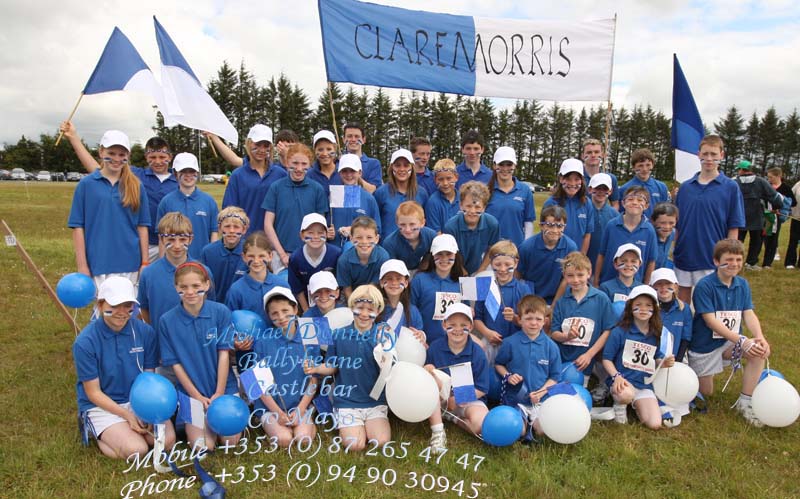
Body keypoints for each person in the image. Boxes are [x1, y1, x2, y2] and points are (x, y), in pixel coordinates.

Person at [73, 277, 176, 459]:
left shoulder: (145, 332)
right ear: (100, 305)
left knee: (166, 442)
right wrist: (126, 416)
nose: (122, 312)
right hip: (102, 405)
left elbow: (148, 377)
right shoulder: (85, 342)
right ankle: (95, 429)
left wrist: (146, 410)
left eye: (127, 305)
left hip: (138, 399)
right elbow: (93, 393)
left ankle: (124, 433)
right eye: (114, 306)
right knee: (136, 450)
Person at [60, 121, 177, 261]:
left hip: (171, 242)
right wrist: (74, 139)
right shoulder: (135, 176)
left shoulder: (179, 180)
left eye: (162, 157)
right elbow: (98, 169)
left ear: (170, 157)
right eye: (152, 157)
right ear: (146, 157)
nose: (157, 161)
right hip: (143, 243)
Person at [687, 239, 771, 426]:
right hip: (705, 346)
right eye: (729, 259)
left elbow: (748, 313)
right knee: (706, 392)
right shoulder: (704, 286)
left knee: (758, 352)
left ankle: (745, 401)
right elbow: (710, 322)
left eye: (738, 260)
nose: (734, 264)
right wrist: (742, 339)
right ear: (717, 261)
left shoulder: (742, 284)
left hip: (729, 343)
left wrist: (759, 337)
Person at [158, 262, 240, 450]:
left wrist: (219, 393)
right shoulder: (167, 321)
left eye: (196, 286)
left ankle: (220, 415)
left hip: (223, 388)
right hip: (191, 393)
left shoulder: (220, 312)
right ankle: (196, 421)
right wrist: (196, 396)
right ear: (176, 287)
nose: (190, 292)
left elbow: (224, 354)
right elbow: (175, 364)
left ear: (206, 285)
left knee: (231, 441)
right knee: (202, 445)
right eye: (184, 287)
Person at [304, 285, 393, 451]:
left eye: (370, 309)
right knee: (354, 445)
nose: (364, 314)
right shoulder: (338, 334)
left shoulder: (383, 337)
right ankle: (347, 422)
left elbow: (390, 371)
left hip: (374, 401)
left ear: (378, 311)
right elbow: (332, 366)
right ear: (352, 307)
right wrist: (315, 368)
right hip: (347, 402)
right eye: (360, 308)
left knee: (380, 442)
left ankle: (374, 423)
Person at [67, 130, 150, 288]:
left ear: (128, 156)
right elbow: (78, 227)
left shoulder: (136, 186)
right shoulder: (86, 185)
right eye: (111, 153)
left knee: (128, 311)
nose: (116, 159)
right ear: (101, 152)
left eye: (121, 154)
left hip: (130, 263)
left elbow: (142, 226)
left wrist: (144, 262)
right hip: (99, 263)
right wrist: (82, 266)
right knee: (104, 310)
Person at [673, 134, 745, 303]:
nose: (709, 159)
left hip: (711, 256)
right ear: (698, 154)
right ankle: (685, 329)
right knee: (682, 299)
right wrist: (675, 249)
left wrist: (728, 256)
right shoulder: (685, 187)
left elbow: (734, 226)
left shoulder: (730, 187)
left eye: (713, 154)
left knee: (707, 301)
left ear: (722, 155)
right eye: (705, 154)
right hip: (685, 253)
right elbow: (678, 224)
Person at [602, 285, 675, 428]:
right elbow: (607, 359)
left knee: (654, 424)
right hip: (622, 381)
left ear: (655, 309)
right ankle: (620, 405)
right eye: (638, 305)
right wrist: (616, 376)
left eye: (648, 305)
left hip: (643, 384)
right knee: (625, 395)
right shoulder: (619, 331)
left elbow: (656, 358)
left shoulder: (656, 333)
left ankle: (637, 405)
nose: (643, 309)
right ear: (630, 307)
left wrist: (664, 362)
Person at [252, 287, 317, 447]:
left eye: (285, 311)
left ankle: (309, 420)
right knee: (284, 439)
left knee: (303, 439)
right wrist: (277, 413)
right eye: (274, 313)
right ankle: (270, 424)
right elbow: (258, 385)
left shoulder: (309, 335)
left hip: (300, 403)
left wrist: (301, 408)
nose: (281, 317)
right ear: (269, 316)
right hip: (271, 407)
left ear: (295, 308)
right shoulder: (262, 341)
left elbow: (314, 379)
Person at [425, 303, 491, 451]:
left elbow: (482, 388)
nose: (457, 329)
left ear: (471, 327)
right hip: (440, 399)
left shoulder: (478, 353)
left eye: (463, 325)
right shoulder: (435, 348)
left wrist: (458, 398)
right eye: (452, 324)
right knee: (431, 379)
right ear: (444, 325)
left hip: (469, 400)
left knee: (481, 426)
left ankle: (454, 418)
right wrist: (427, 370)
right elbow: (426, 379)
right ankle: (438, 431)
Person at [495, 295, 561, 439]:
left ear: (545, 321)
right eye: (529, 318)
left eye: (538, 319)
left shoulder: (551, 347)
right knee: (518, 431)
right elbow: (499, 364)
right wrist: (508, 375)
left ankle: (534, 422)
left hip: (541, 400)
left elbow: (555, 377)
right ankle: (524, 423)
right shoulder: (510, 343)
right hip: (516, 400)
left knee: (543, 430)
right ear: (519, 320)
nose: (533, 323)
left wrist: (541, 393)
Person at [138, 212, 216, 334]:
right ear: (161, 239)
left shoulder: (203, 271)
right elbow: (144, 309)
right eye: (171, 239)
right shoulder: (149, 274)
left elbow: (210, 306)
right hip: (162, 342)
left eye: (183, 239)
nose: (177, 245)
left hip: (196, 339)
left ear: (191, 239)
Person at [551, 252, 616, 387]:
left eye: (580, 275)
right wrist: (566, 336)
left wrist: (589, 355)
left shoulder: (601, 298)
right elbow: (554, 333)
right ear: (564, 276)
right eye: (570, 275)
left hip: (585, 363)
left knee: (579, 396)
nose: (575, 280)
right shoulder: (561, 302)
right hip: (563, 362)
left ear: (589, 273)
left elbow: (608, 330)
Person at [262, 143, 328, 273]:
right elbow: (268, 224)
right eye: (295, 163)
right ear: (287, 163)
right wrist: (282, 254)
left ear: (310, 165)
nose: (299, 168)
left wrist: (310, 252)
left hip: (309, 254)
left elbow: (320, 227)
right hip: (281, 254)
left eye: (304, 164)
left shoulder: (316, 189)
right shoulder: (276, 188)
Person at [211, 124, 287, 234]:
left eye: (266, 145)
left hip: (274, 240)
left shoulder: (280, 174)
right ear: (249, 143)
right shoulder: (238, 175)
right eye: (257, 144)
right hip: (245, 240)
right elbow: (229, 210)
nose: (261, 149)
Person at [473, 241, 531, 364]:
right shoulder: (485, 285)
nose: (502, 269)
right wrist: (487, 333)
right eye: (498, 264)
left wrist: (515, 318)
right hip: (490, 343)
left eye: (507, 264)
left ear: (515, 263)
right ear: (491, 263)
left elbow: (530, 321)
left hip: (515, 345)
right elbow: (477, 318)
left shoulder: (523, 289)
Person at [155, 153, 218, 259]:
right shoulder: (166, 202)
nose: (188, 175)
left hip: (201, 262)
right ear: (175, 174)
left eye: (192, 171)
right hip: (174, 262)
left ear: (197, 173)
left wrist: (212, 260)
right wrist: (162, 264)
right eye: (183, 172)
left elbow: (214, 234)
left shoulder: (209, 201)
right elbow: (161, 237)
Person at [594, 186, 657, 286]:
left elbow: (651, 261)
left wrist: (645, 286)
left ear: (646, 205)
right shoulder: (611, 225)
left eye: (640, 200)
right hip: (608, 283)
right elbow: (601, 254)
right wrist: (596, 281)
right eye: (630, 199)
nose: (635, 202)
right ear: (623, 203)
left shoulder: (649, 230)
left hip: (635, 286)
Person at [411, 234, 468, 345]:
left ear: (456, 255)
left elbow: (466, 316)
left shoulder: (464, 282)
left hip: (454, 343)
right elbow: (410, 310)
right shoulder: (419, 280)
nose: (444, 259)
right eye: (439, 254)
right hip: (423, 342)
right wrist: (420, 338)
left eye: (449, 254)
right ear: (432, 255)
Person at [518, 205, 577, 305]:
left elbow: (566, 279)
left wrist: (554, 306)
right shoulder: (527, 247)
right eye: (549, 225)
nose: (554, 230)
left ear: (564, 227)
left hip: (557, 298)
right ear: (541, 226)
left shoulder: (570, 247)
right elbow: (518, 276)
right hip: (531, 298)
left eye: (559, 226)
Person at [733, 160, 783, 270]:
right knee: (756, 241)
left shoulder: (734, 182)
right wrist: (776, 207)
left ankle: (733, 261)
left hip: (737, 217)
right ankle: (751, 263)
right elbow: (775, 198)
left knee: (736, 241)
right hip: (756, 217)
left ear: (741, 170)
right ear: (750, 170)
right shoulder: (761, 181)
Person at [288, 214, 342, 312]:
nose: (315, 237)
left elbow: (340, 285)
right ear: (301, 235)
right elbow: (297, 288)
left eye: (320, 232)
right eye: (310, 233)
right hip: (308, 304)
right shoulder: (295, 258)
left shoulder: (336, 254)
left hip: (332, 303)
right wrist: (306, 311)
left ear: (326, 234)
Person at [443, 181, 500, 275]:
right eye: (468, 206)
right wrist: (463, 273)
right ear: (461, 205)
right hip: (454, 268)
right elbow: (449, 254)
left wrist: (480, 271)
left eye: (477, 207)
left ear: (484, 208)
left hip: (479, 267)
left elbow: (492, 249)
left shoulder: (492, 224)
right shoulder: (450, 227)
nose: (472, 211)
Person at [485, 146, 536, 246]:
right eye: (501, 164)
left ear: (515, 165)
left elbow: (528, 223)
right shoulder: (486, 190)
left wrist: (525, 246)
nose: (505, 168)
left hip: (516, 250)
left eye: (509, 164)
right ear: (494, 166)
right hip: (491, 251)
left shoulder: (525, 191)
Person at [374, 148, 429, 239]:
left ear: (412, 167)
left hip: (415, 248)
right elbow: (375, 224)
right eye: (397, 165)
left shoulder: (422, 193)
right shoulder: (380, 193)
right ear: (392, 168)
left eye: (406, 165)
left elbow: (426, 223)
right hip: (388, 248)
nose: (402, 169)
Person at [544, 158, 595, 254]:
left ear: (582, 180)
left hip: (576, 258)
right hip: (555, 256)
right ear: (561, 179)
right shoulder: (551, 203)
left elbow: (587, 234)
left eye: (577, 179)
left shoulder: (586, 203)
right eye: (568, 179)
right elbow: (546, 234)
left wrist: (581, 257)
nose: (572, 183)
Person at [200, 207, 250, 304]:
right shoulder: (208, 252)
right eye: (227, 226)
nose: (231, 231)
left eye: (236, 227)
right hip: (214, 306)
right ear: (219, 228)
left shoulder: (250, 252)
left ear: (244, 229)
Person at [330, 153, 381, 247]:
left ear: (360, 173)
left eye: (352, 171)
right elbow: (326, 223)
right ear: (339, 173)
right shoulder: (333, 196)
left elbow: (377, 228)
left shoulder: (368, 198)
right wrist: (328, 232)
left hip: (361, 251)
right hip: (335, 250)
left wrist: (355, 230)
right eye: (344, 171)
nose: (348, 175)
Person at [336, 216, 390, 299]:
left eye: (369, 237)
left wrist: (365, 304)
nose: (364, 242)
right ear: (351, 239)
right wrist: (355, 305)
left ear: (377, 239)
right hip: (352, 297)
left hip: (374, 295)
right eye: (359, 237)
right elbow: (347, 289)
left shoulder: (383, 257)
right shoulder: (343, 261)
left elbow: (375, 286)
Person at [380, 201, 437, 274]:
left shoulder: (431, 236)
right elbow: (391, 270)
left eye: (412, 224)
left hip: (423, 271)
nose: (407, 229)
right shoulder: (390, 243)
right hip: (399, 274)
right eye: (402, 225)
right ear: (397, 223)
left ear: (422, 223)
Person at [618, 148, 670, 218]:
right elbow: (621, 214)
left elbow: (665, 212)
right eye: (640, 165)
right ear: (633, 167)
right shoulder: (624, 189)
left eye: (648, 165)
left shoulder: (661, 187)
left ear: (653, 165)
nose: (645, 169)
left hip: (655, 228)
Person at [377, 259, 425, 331]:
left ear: (406, 283)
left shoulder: (413, 312)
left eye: (398, 278)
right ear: (381, 282)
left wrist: (420, 335)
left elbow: (417, 337)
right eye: (389, 278)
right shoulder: (373, 308)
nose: (394, 282)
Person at [763, 167, 794, 268]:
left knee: (773, 238)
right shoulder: (767, 186)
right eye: (768, 177)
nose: (769, 179)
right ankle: (764, 259)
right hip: (766, 216)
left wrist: (783, 204)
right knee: (765, 237)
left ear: (778, 176)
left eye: (771, 177)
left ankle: (768, 262)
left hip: (777, 217)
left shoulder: (785, 188)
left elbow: (793, 202)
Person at [587, 173, 618, 270]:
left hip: (605, 264)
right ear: (590, 189)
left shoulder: (615, 215)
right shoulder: (583, 209)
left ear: (610, 191)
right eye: (597, 188)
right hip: (586, 261)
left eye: (604, 189)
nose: (601, 192)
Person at [342, 122, 383, 192]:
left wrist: (354, 176)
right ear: (343, 139)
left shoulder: (373, 164)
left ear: (364, 140)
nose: (353, 140)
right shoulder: (337, 163)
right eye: (349, 136)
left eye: (357, 136)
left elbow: (373, 191)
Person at [424, 158, 461, 233]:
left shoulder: (463, 199)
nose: (445, 183)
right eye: (440, 179)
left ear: (456, 177)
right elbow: (436, 232)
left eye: (449, 178)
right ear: (435, 180)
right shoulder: (433, 203)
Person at [582, 138, 620, 210]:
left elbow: (615, 204)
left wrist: (611, 219)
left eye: (596, 152)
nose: (593, 155)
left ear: (602, 155)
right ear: (583, 156)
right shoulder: (576, 179)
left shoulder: (611, 178)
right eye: (589, 152)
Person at [306, 130, 341, 194]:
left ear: (335, 149)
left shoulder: (345, 172)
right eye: (320, 150)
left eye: (329, 149)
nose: (324, 153)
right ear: (314, 151)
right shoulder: (309, 175)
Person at [650, 203, 678, 270]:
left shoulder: (672, 233)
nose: (667, 227)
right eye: (662, 223)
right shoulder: (648, 237)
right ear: (653, 221)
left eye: (671, 223)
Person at [784, 177, 800, 269]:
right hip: (796, 217)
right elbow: (790, 197)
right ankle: (790, 262)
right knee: (793, 240)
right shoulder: (798, 185)